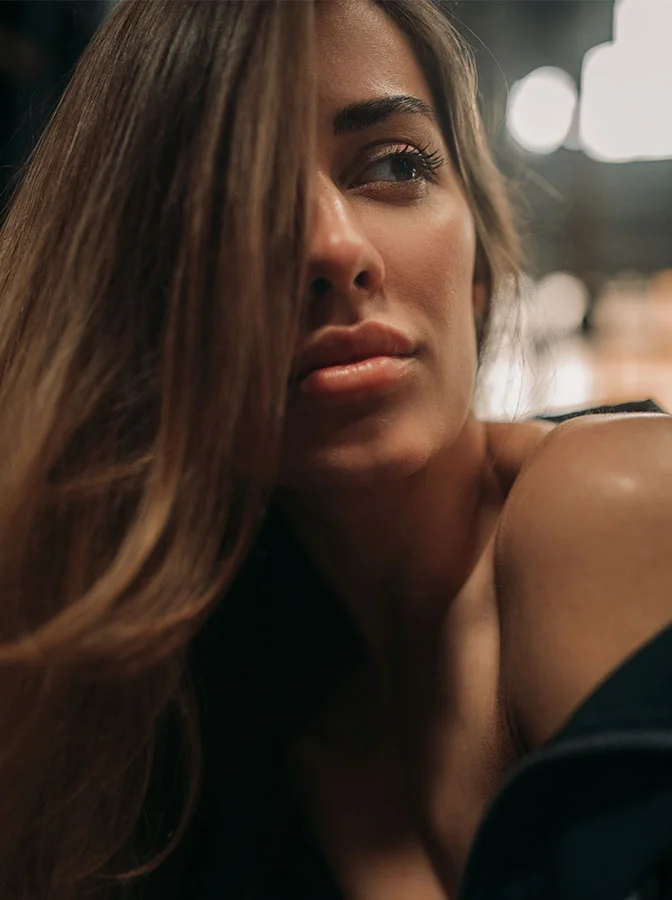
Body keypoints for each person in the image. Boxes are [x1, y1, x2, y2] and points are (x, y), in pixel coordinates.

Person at [0, 1, 670, 898]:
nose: (333, 247)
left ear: (475, 269)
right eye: (238, 193)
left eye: (395, 165)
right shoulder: (190, 726)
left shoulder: (616, 500)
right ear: (144, 300)